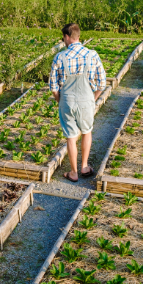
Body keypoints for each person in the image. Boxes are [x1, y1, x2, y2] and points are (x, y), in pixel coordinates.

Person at [50, 23, 106, 182]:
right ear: (78, 36)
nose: (63, 41)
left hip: (67, 99)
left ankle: (73, 172)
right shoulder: (92, 55)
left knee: (71, 136)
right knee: (87, 131)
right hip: (86, 99)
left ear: (67, 37)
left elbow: (54, 87)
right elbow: (102, 83)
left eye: (63, 38)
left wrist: (60, 101)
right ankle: (85, 167)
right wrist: (93, 98)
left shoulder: (60, 57)